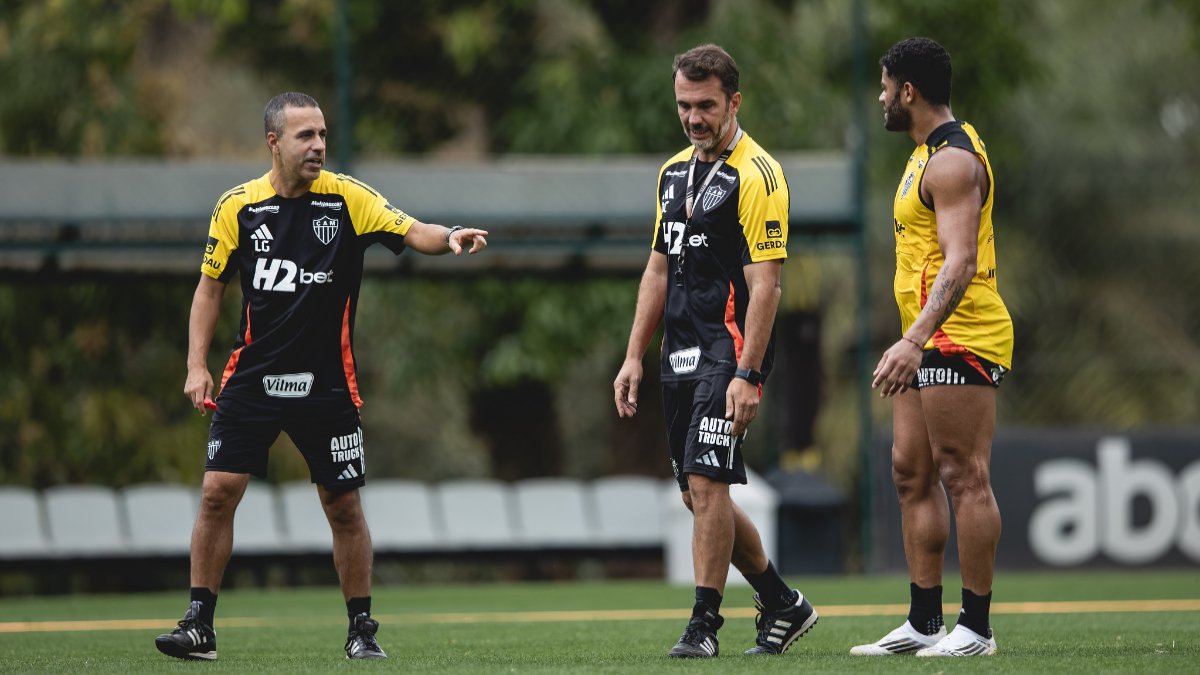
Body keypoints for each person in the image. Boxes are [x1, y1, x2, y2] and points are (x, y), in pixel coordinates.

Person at [154, 92, 488, 661]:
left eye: (323, 135)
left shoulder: (348, 197)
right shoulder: (237, 207)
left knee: (343, 506)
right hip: (252, 378)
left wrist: (448, 237)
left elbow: (412, 230)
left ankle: (362, 631)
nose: (319, 146)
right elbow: (209, 288)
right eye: (306, 136)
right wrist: (194, 365)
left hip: (327, 382)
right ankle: (199, 626)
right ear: (274, 142)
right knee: (217, 493)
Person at [613, 44, 817, 658]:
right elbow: (656, 270)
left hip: (729, 355)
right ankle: (783, 602)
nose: (694, 117)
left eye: (705, 105)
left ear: (734, 101)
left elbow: (767, 283)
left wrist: (749, 373)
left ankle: (703, 626)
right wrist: (631, 357)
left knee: (706, 484)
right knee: (703, 495)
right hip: (678, 354)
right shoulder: (672, 173)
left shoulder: (758, 175)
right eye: (684, 105)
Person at [852, 37, 1013, 658]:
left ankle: (975, 629)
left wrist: (914, 338)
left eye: (886, 86)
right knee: (910, 472)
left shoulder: (952, 161)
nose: (882, 97)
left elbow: (961, 261)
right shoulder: (925, 154)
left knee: (962, 474)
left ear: (908, 91)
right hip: (922, 338)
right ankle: (923, 623)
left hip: (960, 334)